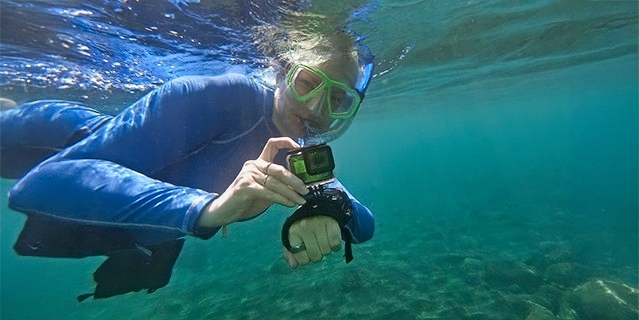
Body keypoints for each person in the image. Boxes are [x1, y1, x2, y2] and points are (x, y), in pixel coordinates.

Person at [0, 32, 375, 299]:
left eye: (337, 100)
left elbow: (362, 222)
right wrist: (207, 209)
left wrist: (327, 210)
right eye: (306, 83)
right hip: (53, 136)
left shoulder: (299, 154)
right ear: (281, 71)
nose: (315, 109)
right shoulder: (216, 97)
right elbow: (40, 184)